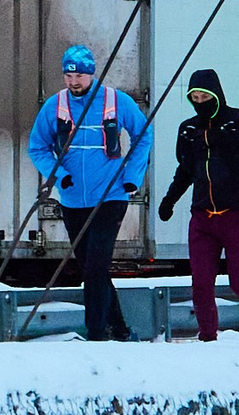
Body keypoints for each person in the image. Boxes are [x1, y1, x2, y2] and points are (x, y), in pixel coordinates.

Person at [25, 43, 153, 342]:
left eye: (79, 76)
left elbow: (143, 134)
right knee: (90, 269)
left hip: (110, 194)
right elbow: (38, 147)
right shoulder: (55, 106)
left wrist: (132, 176)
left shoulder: (115, 101)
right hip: (72, 198)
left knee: (97, 264)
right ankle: (119, 330)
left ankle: (95, 334)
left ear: (91, 74)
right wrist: (59, 176)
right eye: (68, 76)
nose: (73, 82)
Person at [155, 67, 239, 339]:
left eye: (205, 96)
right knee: (201, 285)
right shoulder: (188, 129)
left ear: (217, 94)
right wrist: (170, 200)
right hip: (202, 217)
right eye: (195, 97)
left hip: (237, 214)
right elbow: (186, 170)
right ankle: (207, 338)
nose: (200, 102)